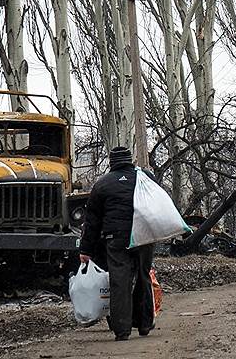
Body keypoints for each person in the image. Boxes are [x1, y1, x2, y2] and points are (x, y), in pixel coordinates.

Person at [79, 146, 155, 341]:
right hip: (144, 235)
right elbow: (159, 204)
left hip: (116, 238)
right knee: (143, 276)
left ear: (112, 162)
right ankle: (145, 324)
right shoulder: (144, 178)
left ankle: (122, 330)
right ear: (130, 160)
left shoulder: (103, 185)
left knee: (119, 281)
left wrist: (86, 250)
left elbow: (92, 221)